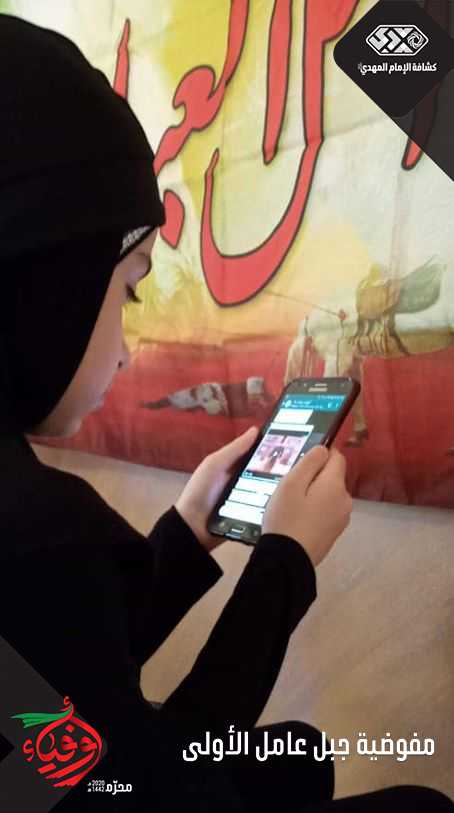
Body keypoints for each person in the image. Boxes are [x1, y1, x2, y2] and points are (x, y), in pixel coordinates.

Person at [0, 14, 452, 813]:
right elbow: (165, 795)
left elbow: (60, 689)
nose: (127, 351)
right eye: (130, 286)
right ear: (48, 282)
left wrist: (187, 530)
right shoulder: (37, 532)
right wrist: (286, 562)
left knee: (295, 756)